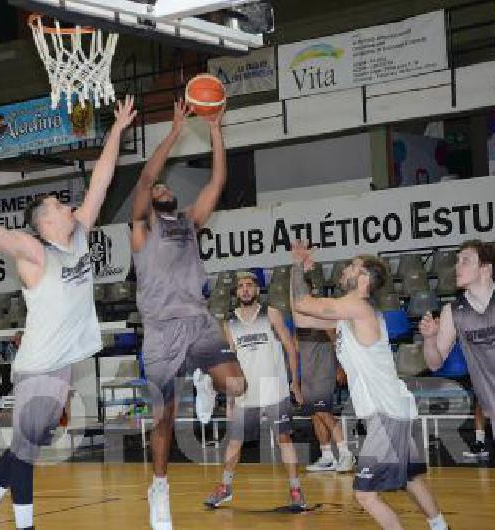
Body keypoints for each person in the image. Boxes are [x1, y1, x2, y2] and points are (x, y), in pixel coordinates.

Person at [0, 96, 136, 530]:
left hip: (61, 366)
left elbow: (102, 183)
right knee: (27, 450)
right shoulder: (34, 252)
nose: (69, 206)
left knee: (28, 443)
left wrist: (116, 130)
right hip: (38, 366)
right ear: (44, 220)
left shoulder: (78, 238)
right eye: (59, 204)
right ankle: (21, 525)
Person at [130, 99, 246, 530]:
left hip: (196, 323)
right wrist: (176, 132)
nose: (160, 189)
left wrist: (215, 129)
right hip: (160, 331)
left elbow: (217, 179)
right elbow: (144, 176)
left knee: (238, 384)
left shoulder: (190, 222)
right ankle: (159, 489)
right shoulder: (142, 229)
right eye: (157, 190)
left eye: (164, 189)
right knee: (163, 418)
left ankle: (201, 377)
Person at [290, 244, 448, 530]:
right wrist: (300, 272)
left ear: (364, 279)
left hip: (385, 414)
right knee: (410, 478)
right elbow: (300, 314)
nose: (345, 269)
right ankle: (440, 526)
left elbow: (302, 303)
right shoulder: (349, 313)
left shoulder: (357, 307)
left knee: (364, 494)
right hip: (392, 410)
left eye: (352, 266)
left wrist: (299, 266)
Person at [420, 239, 495, 493]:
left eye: (465, 260)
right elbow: (434, 363)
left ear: (485, 268)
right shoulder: (453, 312)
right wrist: (430, 338)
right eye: (457, 260)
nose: (457, 266)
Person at [203, 272, 307, 510]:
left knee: (284, 439)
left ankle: (295, 489)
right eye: (241, 287)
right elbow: (230, 363)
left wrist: (295, 382)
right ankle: (225, 488)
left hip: (274, 388)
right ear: (237, 292)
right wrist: (230, 400)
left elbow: (291, 348)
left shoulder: (271, 314)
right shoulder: (229, 323)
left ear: (257, 290)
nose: (245, 290)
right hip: (245, 392)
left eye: (249, 285)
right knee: (234, 442)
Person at [299, 319, 355, 472]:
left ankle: (346, 454)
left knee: (323, 412)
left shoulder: (323, 319)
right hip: (307, 375)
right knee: (315, 415)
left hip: (324, 372)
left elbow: (338, 343)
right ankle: (327, 457)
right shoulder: (299, 321)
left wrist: (341, 366)